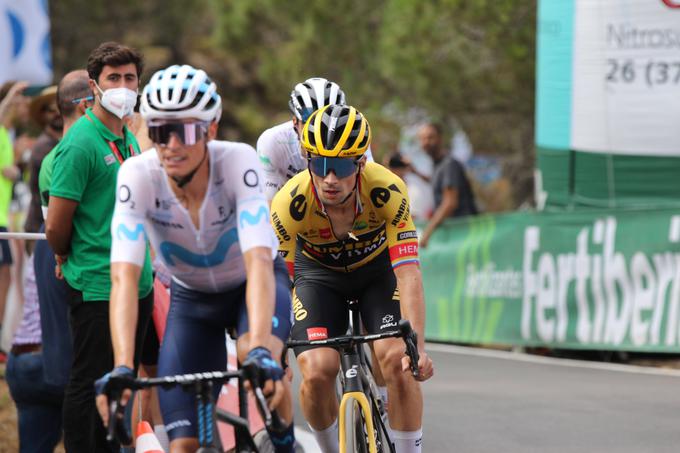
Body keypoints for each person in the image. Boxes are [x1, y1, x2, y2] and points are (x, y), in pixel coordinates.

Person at [94, 64, 296, 453]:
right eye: (158, 131)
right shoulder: (136, 175)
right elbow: (123, 276)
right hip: (193, 301)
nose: (171, 144)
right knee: (183, 443)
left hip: (249, 287)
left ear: (211, 130)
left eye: (184, 131)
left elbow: (257, 261)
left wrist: (256, 351)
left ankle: (284, 442)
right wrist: (121, 366)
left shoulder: (238, 162)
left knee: (264, 373)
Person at [271, 104, 434, 453]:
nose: (330, 178)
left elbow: (407, 272)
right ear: (307, 160)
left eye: (342, 166)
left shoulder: (387, 189)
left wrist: (417, 347)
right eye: (319, 164)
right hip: (318, 277)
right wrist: (275, 351)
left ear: (360, 163)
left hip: (376, 274)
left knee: (398, 360)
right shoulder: (289, 202)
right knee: (316, 371)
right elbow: (277, 284)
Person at [45, 42, 154, 452]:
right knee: (88, 380)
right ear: (94, 85)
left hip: (136, 282)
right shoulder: (80, 143)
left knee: (119, 381)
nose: (123, 86)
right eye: (114, 79)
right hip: (95, 283)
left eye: (129, 78)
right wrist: (63, 253)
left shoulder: (127, 135)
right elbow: (56, 224)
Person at [36, 69, 93, 389]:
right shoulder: (66, 155)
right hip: (79, 272)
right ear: (86, 106)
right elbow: (57, 227)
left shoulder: (56, 155)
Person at [257, 77, 373, 202]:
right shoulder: (272, 142)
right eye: (309, 123)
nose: (318, 133)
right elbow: (270, 203)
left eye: (326, 126)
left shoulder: (352, 139)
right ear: (295, 122)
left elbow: (368, 188)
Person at [418, 122, 478, 248]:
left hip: (463, 231)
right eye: (422, 139)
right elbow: (436, 182)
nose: (426, 142)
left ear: (440, 138)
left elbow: (449, 203)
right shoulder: (437, 165)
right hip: (455, 233)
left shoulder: (449, 164)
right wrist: (413, 171)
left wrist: (427, 232)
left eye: (430, 137)